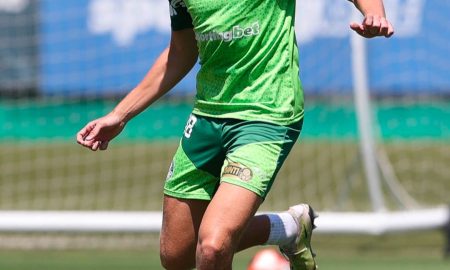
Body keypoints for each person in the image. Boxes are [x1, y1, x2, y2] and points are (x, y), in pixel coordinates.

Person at [77, 0, 394, 269]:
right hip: (207, 116)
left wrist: (375, 11)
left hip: (267, 113)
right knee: (176, 256)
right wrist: (120, 115)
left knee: (213, 245)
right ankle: (289, 227)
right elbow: (181, 51)